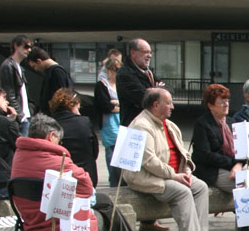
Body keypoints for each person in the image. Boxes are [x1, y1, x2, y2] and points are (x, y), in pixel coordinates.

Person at [11, 115, 159, 231]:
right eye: (59, 140)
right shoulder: (56, 160)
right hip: (54, 223)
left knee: (103, 201)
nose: (60, 144)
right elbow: (86, 187)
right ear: (51, 136)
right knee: (101, 218)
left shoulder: (20, 156)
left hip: (31, 221)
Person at [124, 88, 215, 231]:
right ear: (156, 104)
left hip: (173, 173)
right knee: (182, 192)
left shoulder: (169, 125)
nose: (173, 106)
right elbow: (149, 161)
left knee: (201, 187)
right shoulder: (141, 125)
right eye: (169, 102)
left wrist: (187, 169)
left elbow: (184, 152)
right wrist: (174, 176)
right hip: (147, 177)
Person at [191, 83, 244, 195]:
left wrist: (238, 164)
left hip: (234, 167)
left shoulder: (232, 122)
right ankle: (247, 212)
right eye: (222, 102)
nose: (226, 105)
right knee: (244, 185)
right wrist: (232, 164)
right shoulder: (203, 124)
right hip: (212, 170)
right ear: (210, 105)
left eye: (227, 101)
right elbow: (205, 155)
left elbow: (243, 150)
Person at [49, 87, 100, 188]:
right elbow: (95, 151)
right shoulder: (84, 122)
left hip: (61, 176)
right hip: (86, 175)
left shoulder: (50, 124)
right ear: (74, 105)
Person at [117, 38, 166, 127]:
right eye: (145, 52)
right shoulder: (124, 74)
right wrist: (158, 90)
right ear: (133, 53)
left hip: (150, 124)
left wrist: (153, 90)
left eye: (150, 52)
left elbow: (168, 89)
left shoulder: (149, 71)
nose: (149, 55)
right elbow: (143, 98)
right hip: (133, 127)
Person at [94, 53, 122, 187]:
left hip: (121, 122)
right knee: (112, 152)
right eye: (116, 70)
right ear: (109, 70)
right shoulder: (102, 85)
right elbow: (105, 106)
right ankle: (113, 180)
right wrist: (117, 105)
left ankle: (121, 180)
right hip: (109, 123)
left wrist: (115, 103)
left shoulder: (121, 85)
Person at [0, 34, 33, 136]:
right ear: (16, 46)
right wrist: (20, 116)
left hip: (24, 116)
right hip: (20, 118)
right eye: (26, 46)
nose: (29, 50)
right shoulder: (8, 66)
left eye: (30, 47)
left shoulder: (18, 66)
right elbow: (9, 94)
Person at [25, 46, 73, 113]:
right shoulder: (54, 72)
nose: (35, 69)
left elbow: (60, 97)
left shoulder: (57, 72)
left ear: (39, 61)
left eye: (34, 66)